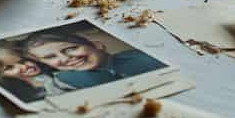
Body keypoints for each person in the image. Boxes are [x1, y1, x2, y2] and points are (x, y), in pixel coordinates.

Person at [22, 30, 166, 89]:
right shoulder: (63, 81)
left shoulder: (142, 57)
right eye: (50, 57)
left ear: (97, 45)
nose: (65, 58)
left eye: (70, 49)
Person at [0, 46, 71, 103]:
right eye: (10, 68)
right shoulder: (16, 94)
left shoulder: (55, 72)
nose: (24, 67)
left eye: (23, 61)